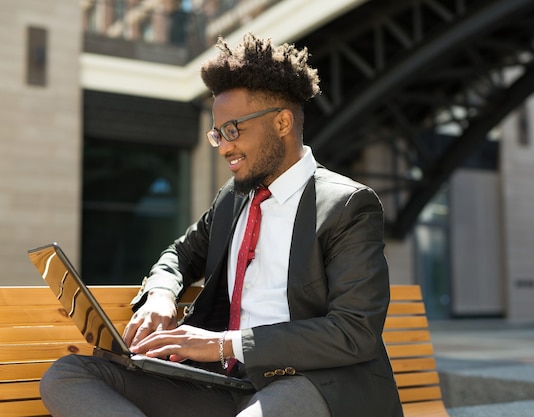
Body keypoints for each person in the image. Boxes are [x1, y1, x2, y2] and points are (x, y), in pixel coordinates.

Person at [40, 32, 403, 417]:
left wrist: (222, 344)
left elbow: (354, 331)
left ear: (282, 122)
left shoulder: (347, 205)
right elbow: (179, 255)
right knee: (69, 374)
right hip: (223, 386)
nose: (225, 146)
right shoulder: (233, 198)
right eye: (218, 134)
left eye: (234, 129)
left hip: (311, 383)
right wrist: (161, 294)